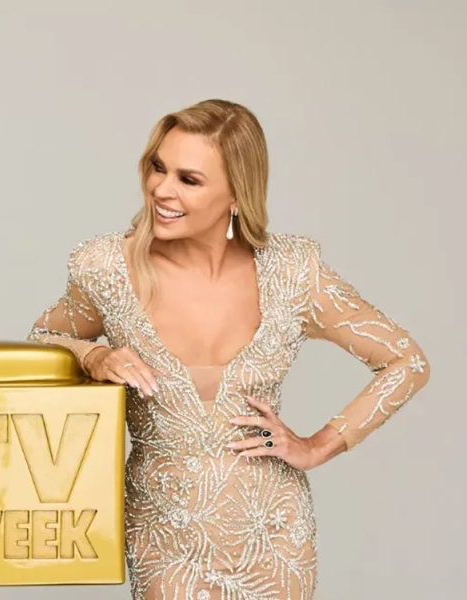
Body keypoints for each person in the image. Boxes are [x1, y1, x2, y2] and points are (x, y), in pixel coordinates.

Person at [27, 99, 430, 599]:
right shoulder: (108, 268)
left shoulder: (291, 273)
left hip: (272, 530)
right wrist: (95, 357)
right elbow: (42, 340)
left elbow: (406, 361)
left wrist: (318, 445)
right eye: (158, 168)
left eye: (188, 180)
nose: (161, 190)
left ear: (237, 193)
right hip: (164, 528)